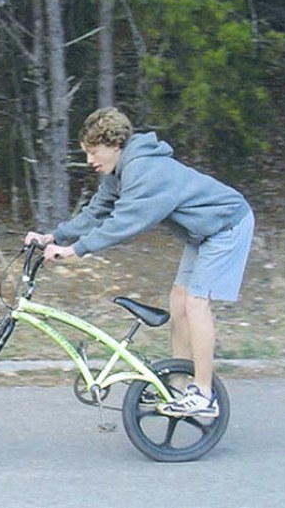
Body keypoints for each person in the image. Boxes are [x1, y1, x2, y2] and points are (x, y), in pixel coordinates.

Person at [24, 107, 254, 418]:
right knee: (178, 300)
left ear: (114, 144)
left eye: (93, 151)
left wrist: (75, 250)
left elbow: (125, 222)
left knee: (196, 303)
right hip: (204, 233)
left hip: (226, 226)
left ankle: (203, 394)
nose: (89, 160)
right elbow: (96, 213)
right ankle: (178, 383)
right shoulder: (119, 173)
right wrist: (53, 237)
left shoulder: (144, 171)